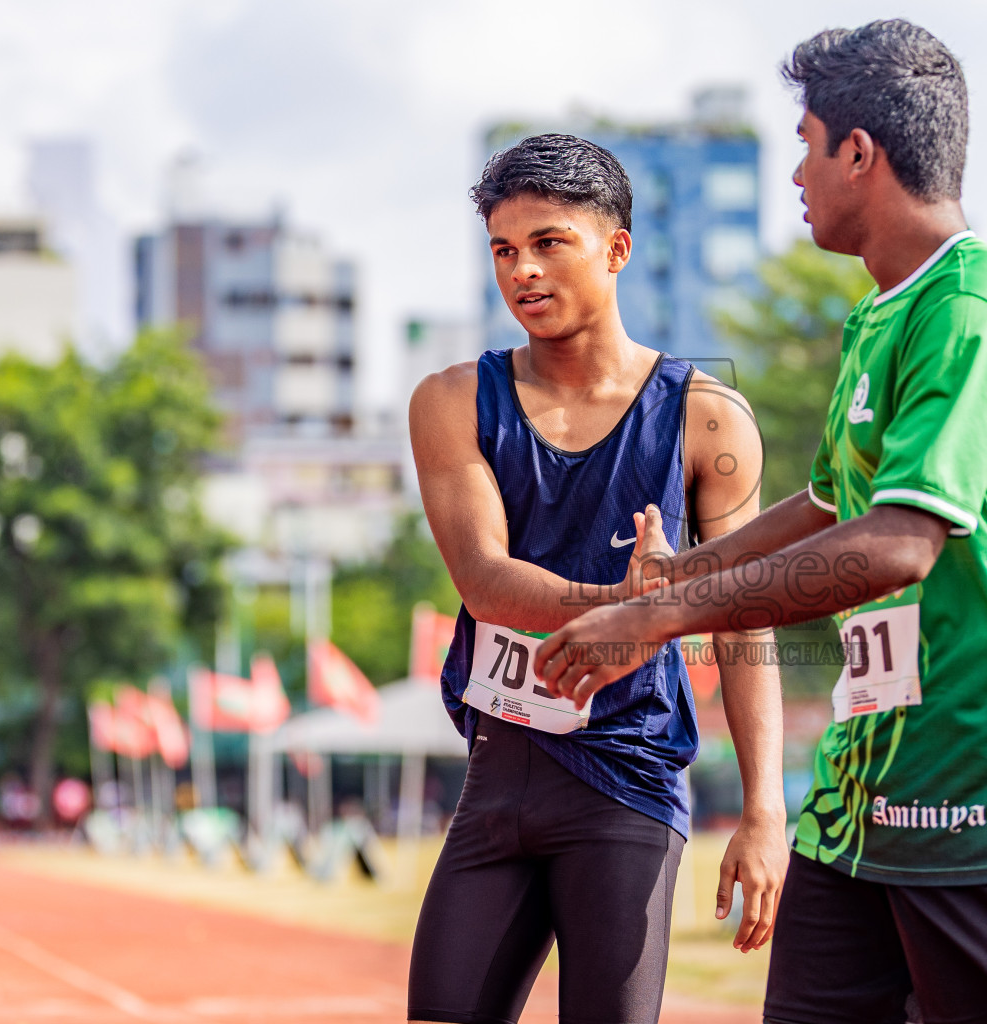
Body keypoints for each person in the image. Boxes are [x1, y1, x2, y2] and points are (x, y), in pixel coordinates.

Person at [535, 20, 987, 1024]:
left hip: (986, 790)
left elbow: (896, 541)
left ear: (858, 152)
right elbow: (831, 503)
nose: (795, 172)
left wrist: (666, 621)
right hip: (862, 801)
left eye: (804, 142)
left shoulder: (976, 307)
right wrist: (676, 577)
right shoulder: (880, 315)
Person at [406, 134, 788, 1024]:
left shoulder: (706, 417)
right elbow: (485, 582)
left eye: (549, 243)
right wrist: (638, 602)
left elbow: (742, 621)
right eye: (503, 250)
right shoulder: (452, 400)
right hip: (498, 781)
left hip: (627, 786)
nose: (522, 272)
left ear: (616, 250)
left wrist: (765, 811)